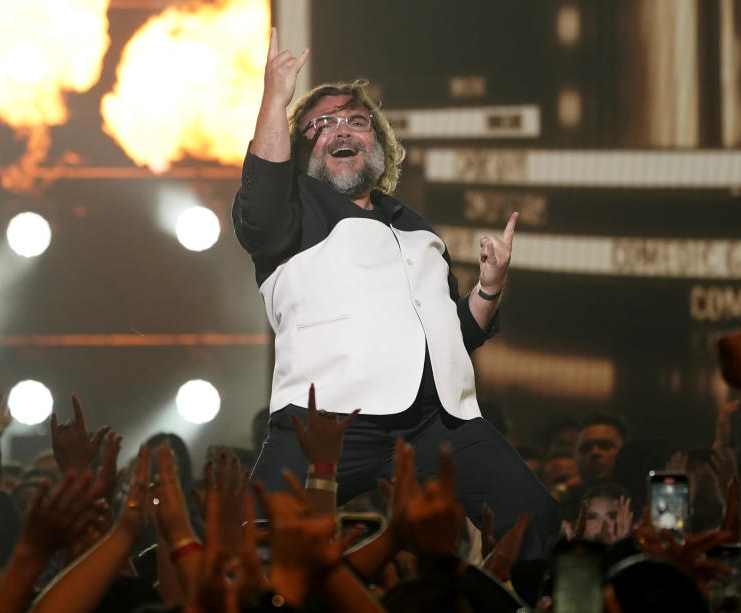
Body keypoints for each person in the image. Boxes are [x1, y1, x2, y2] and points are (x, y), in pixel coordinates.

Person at [232, 29, 558, 558]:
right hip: (326, 420)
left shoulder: (417, 229)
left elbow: (454, 336)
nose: (342, 129)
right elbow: (264, 187)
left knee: (535, 521)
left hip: (439, 421)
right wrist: (275, 98)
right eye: (323, 124)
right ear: (300, 149)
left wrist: (489, 287)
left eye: (356, 122)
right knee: (262, 543)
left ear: (378, 145)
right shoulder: (289, 216)